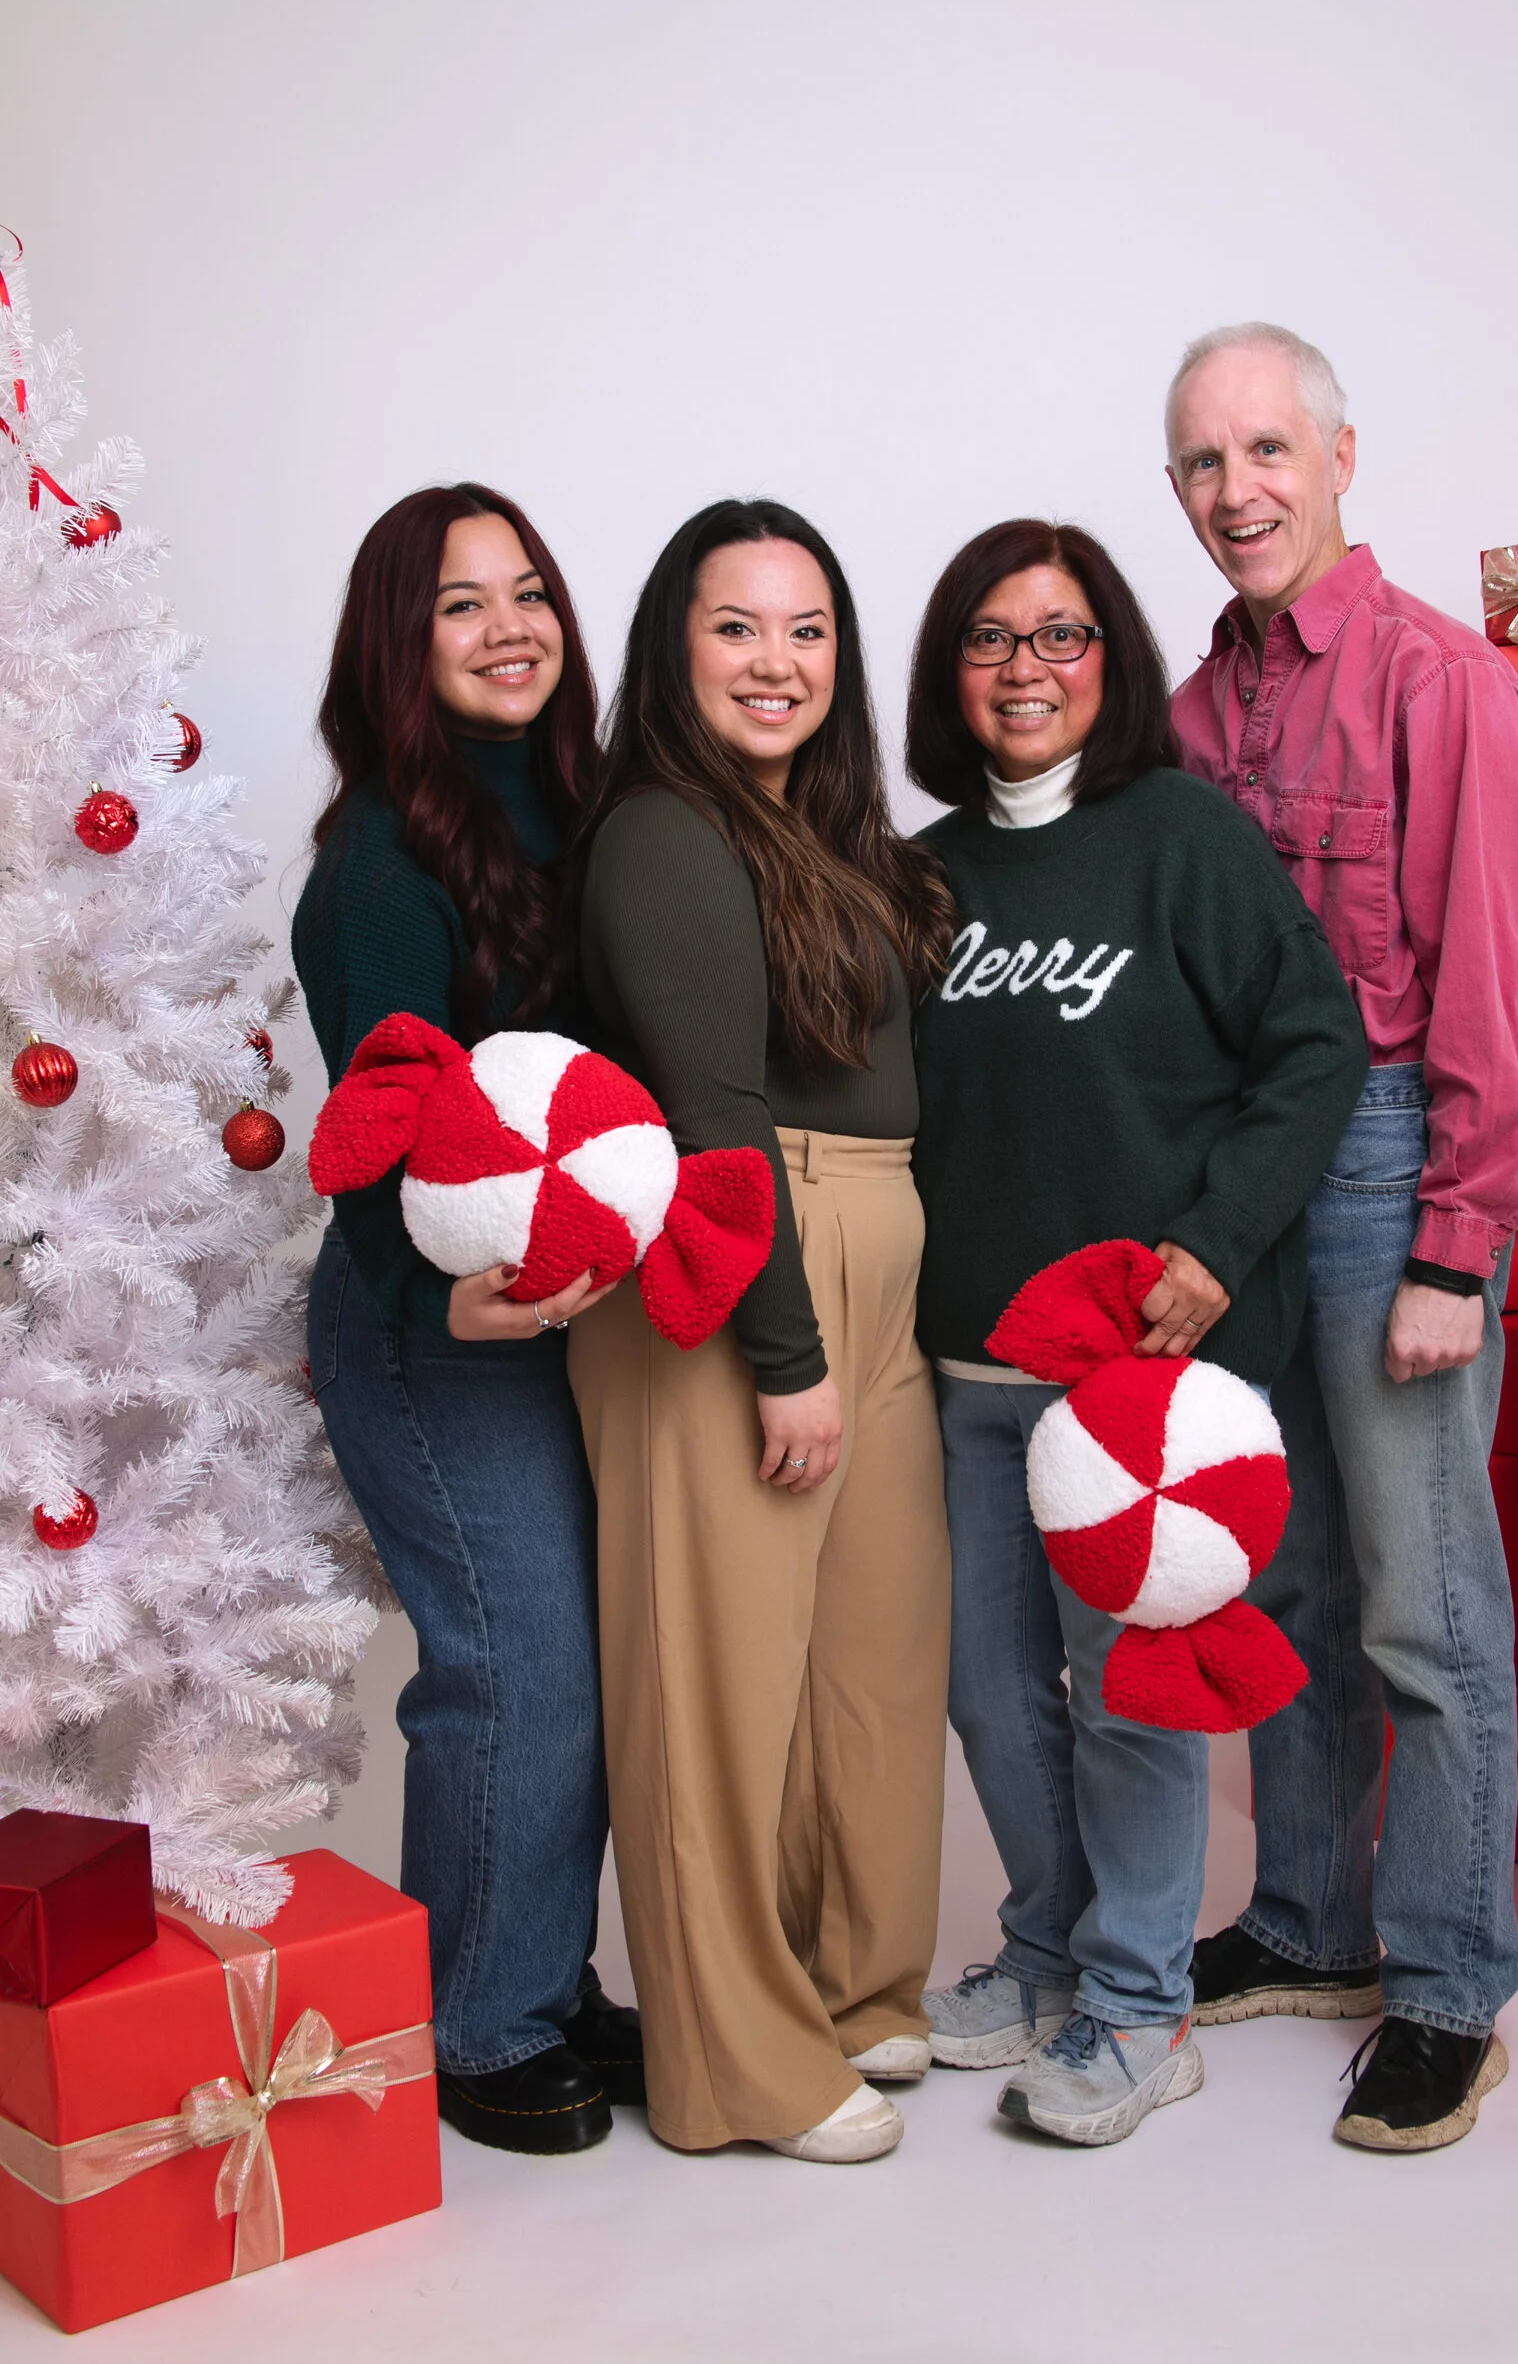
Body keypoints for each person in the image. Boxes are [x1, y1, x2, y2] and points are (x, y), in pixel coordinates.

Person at [906, 518, 1369, 2149]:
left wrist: (1216, 1245)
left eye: (1062, 635)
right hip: (968, 1369)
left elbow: (1316, 1044)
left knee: (1125, 1695)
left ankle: (1139, 2003)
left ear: (1111, 658)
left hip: (1134, 1384)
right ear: (949, 669)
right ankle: (1047, 1950)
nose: (1026, 668)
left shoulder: (1182, 836)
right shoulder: (921, 875)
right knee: (989, 1689)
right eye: (991, 637)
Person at [1166, 323, 1518, 2152]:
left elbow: (1500, 983)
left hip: (1398, 1165)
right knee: (1290, 1580)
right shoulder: (1192, 713)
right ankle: (1310, 1920)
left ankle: (1451, 1983)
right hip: (1255, 1183)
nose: (1236, 489)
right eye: (1202, 462)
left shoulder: (1441, 680)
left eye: (1267, 449)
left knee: (1426, 1599)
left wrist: (1455, 1249)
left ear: (1339, 456)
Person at [565, 498, 956, 2163]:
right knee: (713, 1683)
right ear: (676, 645)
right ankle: (735, 2065)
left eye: (807, 629)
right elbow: (715, 1113)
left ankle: (853, 1990)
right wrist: (785, 1356)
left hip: (876, 1241)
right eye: (737, 626)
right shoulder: (663, 830)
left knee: (873, 1652)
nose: (776, 661)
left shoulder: (832, 835)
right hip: (741, 1261)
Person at [294, 483, 640, 2156]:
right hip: (427, 1329)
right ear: (400, 642)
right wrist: (438, 1291)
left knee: (578, 1656)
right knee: (515, 1668)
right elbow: (370, 1118)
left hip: (553, 1312)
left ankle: (542, 1981)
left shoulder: (585, 812)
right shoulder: (380, 863)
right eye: (461, 604)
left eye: (530, 594)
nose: (510, 628)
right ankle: (480, 2024)